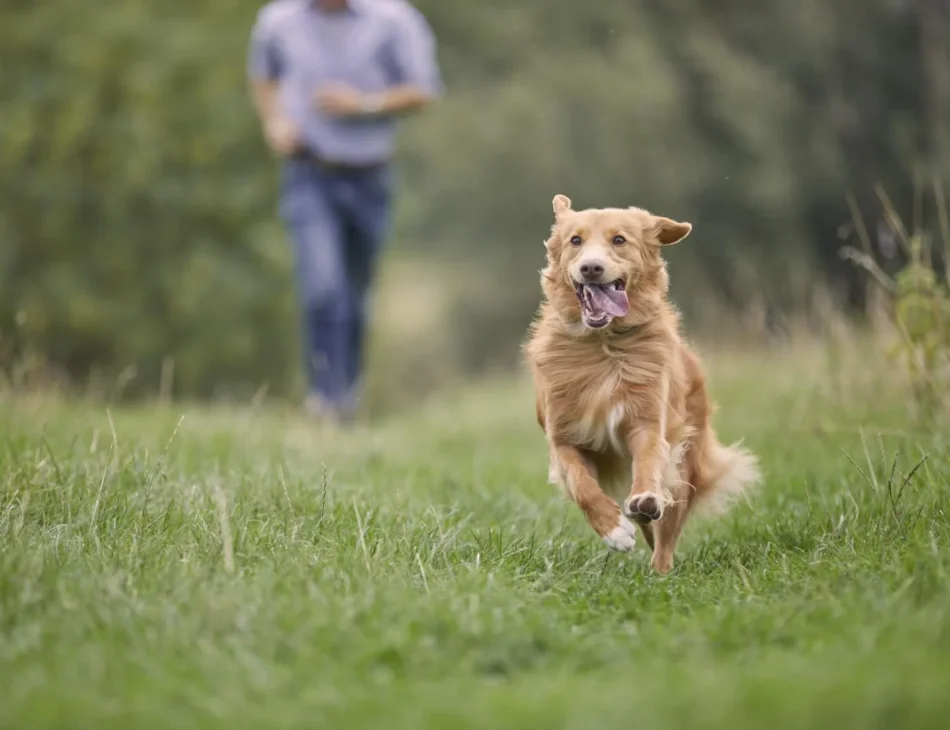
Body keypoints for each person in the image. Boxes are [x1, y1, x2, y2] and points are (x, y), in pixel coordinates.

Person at [247, 0, 441, 423]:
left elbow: (422, 91)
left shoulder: (394, 19)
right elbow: (263, 76)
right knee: (322, 288)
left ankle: (346, 395)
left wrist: (363, 104)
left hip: (370, 177)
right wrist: (274, 123)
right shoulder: (277, 20)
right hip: (307, 173)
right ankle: (324, 398)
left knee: (354, 296)